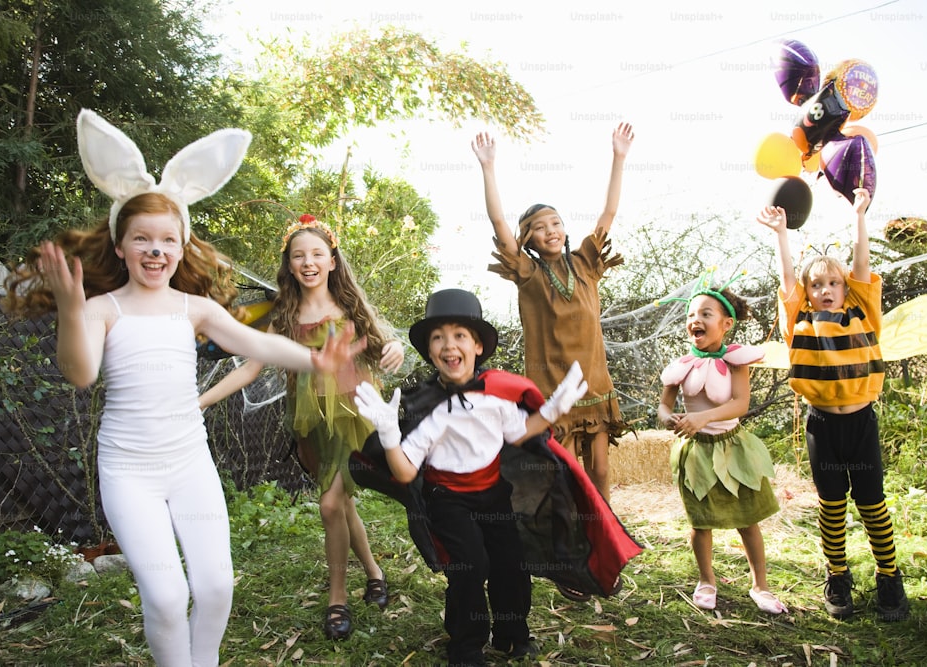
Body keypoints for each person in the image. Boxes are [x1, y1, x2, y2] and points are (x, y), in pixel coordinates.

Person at [3, 110, 364, 667]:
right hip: (129, 470)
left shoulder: (194, 309)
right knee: (169, 597)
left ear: (181, 247)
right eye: (141, 239)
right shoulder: (102, 309)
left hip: (189, 462)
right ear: (120, 246)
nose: (155, 250)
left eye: (166, 240)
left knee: (217, 588)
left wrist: (316, 359)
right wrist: (72, 310)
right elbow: (80, 374)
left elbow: (258, 346)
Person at [354, 288, 589, 667]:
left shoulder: (497, 393)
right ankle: (465, 645)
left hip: (494, 494)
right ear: (430, 352)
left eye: (460, 335)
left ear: (477, 346)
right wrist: (389, 435)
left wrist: (553, 410)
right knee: (470, 567)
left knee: (511, 564)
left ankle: (512, 635)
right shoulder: (426, 406)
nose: (449, 345)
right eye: (438, 337)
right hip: (447, 499)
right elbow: (405, 471)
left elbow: (519, 434)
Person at [198, 213, 404, 640]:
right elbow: (251, 368)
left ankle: (337, 599)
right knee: (342, 503)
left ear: (332, 259)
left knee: (330, 505)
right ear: (289, 265)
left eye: (316, 254)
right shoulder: (285, 314)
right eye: (298, 256)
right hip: (310, 422)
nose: (308, 262)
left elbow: (386, 342)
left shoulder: (350, 305)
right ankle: (374, 572)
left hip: (354, 416)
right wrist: (200, 401)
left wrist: (397, 347)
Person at [757, 187, 909, 622]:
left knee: (872, 502)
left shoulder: (863, 314)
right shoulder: (799, 322)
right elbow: (788, 280)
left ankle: (888, 577)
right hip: (821, 425)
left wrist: (860, 214)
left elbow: (861, 267)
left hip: (861, 423)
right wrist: (781, 235)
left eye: (833, 283)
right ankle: (838, 577)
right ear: (808, 293)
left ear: (846, 289)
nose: (826, 289)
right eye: (817, 284)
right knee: (831, 504)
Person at [471, 123, 634, 507]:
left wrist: (619, 157)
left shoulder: (585, 264)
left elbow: (609, 211)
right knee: (565, 477)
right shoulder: (528, 275)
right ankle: (568, 550)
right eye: (540, 228)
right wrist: (488, 168)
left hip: (593, 387)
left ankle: (604, 550)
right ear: (528, 239)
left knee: (601, 474)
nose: (551, 231)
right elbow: (499, 224)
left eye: (556, 223)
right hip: (553, 394)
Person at [656, 275, 787, 615]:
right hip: (696, 452)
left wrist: (703, 417)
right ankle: (706, 580)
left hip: (733, 448)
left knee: (748, 519)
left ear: (726, 324)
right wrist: (669, 418)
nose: (695, 320)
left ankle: (760, 585)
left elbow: (740, 404)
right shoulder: (681, 366)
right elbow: (663, 406)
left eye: (705, 313)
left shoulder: (735, 359)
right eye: (690, 315)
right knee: (701, 523)